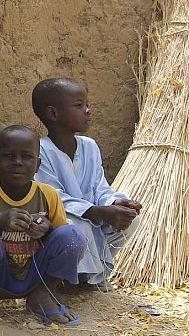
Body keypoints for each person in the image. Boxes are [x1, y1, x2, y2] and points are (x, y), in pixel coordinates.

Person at [0, 125, 86, 328]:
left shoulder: (48, 194)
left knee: (73, 236)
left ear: (38, 165)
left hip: (36, 277)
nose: (17, 162)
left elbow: (63, 240)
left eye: (27, 157)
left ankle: (43, 296)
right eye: (9, 156)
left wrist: (46, 231)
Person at [32, 77, 143, 288]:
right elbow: (52, 198)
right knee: (75, 225)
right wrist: (97, 212)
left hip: (91, 217)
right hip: (59, 224)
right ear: (53, 114)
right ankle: (67, 277)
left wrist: (115, 204)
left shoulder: (89, 146)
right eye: (79, 105)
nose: (88, 110)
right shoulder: (40, 150)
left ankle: (92, 275)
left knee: (131, 219)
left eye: (87, 104)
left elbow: (99, 187)